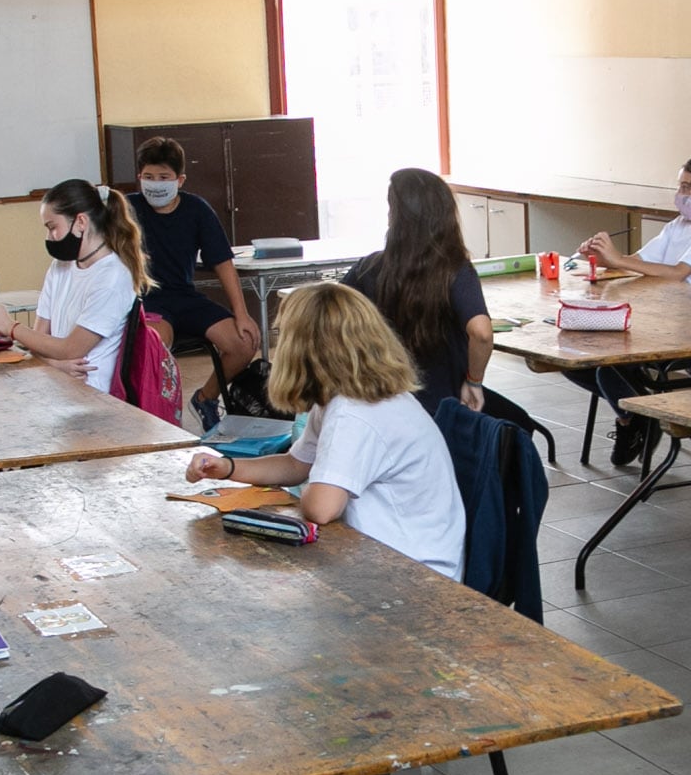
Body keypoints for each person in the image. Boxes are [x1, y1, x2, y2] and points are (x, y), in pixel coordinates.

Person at [181, 282, 465, 580]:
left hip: (417, 575)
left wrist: (313, 484)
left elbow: (321, 508)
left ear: (302, 351)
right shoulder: (344, 397)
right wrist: (227, 467)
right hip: (389, 556)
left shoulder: (355, 412)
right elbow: (295, 464)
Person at [572, 155, 691, 467]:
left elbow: (677, 273)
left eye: (687, 187)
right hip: (661, 321)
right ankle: (639, 412)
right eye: (680, 185)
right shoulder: (678, 226)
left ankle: (633, 417)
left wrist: (619, 261)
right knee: (573, 356)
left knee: (605, 364)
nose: (680, 194)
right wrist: (600, 257)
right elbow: (638, 261)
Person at [125, 137, 259, 423]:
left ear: (180, 179)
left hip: (186, 298)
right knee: (153, 346)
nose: (155, 183)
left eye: (164, 177)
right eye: (148, 177)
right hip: (146, 298)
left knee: (244, 343)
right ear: (139, 178)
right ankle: (153, 416)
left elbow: (223, 263)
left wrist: (242, 314)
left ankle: (205, 399)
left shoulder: (197, 209)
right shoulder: (125, 210)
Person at [341, 167, 493, 412]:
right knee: (518, 424)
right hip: (443, 407)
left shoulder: (367, 269)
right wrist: (474, 382)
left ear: (397, 218)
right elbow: (482, 333)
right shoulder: (454, 270)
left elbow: (329, 317)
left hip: (381, 402)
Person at [0, 180, 149, 396]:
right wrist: (53, 366)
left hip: (90, 392)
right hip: (58, 382)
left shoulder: (113, 276)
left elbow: (72, 349)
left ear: (80, 222)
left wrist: (10, 327)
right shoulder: (61, 266)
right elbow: (38, 340)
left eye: (52, 227)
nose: (49, 237)